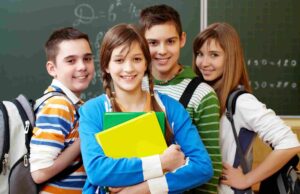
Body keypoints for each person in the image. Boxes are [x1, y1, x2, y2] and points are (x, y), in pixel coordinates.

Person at [78, 23, 213, 194]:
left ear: (146, 64)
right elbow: (98, 171)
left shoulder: (170, 108)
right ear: (107, 66)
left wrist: (140, 189)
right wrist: (162, 163)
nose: (128, 68)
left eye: (136, 59)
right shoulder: (92, 111)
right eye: (119, 60)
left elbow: (202, 167)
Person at [192, 22, 300, 194]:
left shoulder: (241, 102)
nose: (203, 63)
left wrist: (246, 180)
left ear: (230, 58)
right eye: (200, 54)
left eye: (214, 55)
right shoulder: (203, 96)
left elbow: (289, 143)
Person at [139, 4, 222, 193]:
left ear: (182, 39)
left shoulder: (202, 94)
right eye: (153, 43)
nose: (162, 50)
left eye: (170, 41)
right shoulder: (131, 85)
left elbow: (211, 168)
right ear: (142, 43)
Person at [30, 27, 95, 193]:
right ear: (52, 69)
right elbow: (39, 172)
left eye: (87, 58)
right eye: (71, 61)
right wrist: (86, 138)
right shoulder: (58, 105)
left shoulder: (73, 104)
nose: (82, 66)